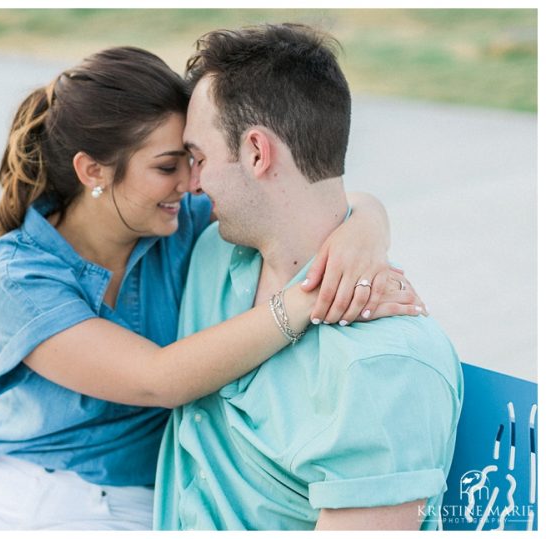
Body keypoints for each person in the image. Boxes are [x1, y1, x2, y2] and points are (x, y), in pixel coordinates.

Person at [0, 46, 423, 531]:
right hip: (1, 481)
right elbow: (157, 380)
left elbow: (302, 198)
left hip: (127, 503)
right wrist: (308, 297)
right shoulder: (20, 272)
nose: (191, 182)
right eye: (167, 166)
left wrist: (367, 227)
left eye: (192, 159)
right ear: (93, 171)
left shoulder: (182, 222)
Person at [153, 24, 463, 531]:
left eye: (199, 158)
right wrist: (369, 216)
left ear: (257, 152)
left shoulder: (386, 368)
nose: (190, 184)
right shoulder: (211, 254)